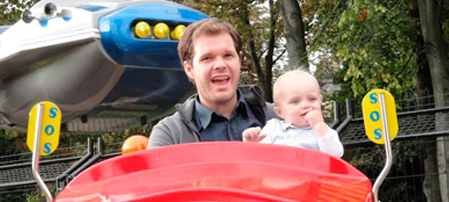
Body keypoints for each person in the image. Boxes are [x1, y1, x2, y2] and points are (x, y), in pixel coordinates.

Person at [147, 18, 275, 148]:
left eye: (228, 55)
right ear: (189, 69)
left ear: (239, 62)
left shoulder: (281, 118)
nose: (220, 65)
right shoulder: (170, 135)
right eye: (207, 58)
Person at [242, 69, 344, 158]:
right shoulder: (273, 129)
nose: (306, 105)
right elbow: (260, 161)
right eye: (295, 101)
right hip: (282, 178)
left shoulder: (323, 131)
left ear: (320, 104)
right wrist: (253, 145)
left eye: (312, 99)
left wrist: (319, 125)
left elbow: (336, 155)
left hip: (316, 178)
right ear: (280, 112)